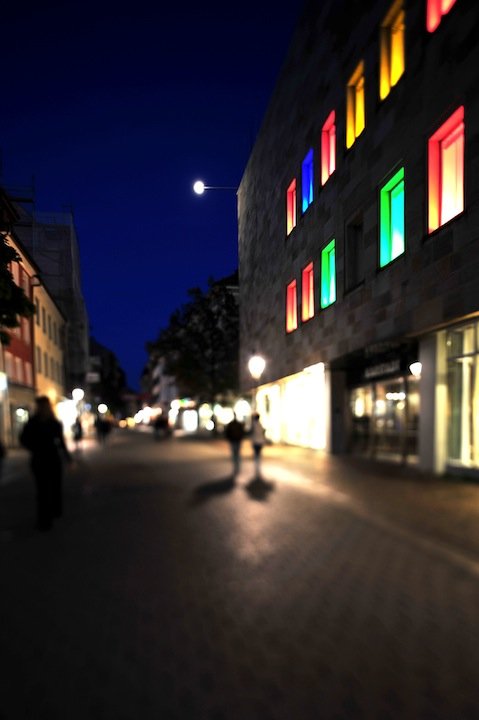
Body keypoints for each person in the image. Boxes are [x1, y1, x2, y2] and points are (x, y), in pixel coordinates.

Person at [20, 396, 72, 531]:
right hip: (40, 460)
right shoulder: (33, 423)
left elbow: (61, 442)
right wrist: (34, 447)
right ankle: (44, 518)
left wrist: (67, 457)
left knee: (53, 488)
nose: (43, 409)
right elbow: (23, 439)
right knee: (43, 490)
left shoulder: (52, 423)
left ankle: (52, 512)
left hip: (52, 459)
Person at [250, 412, 266, 477]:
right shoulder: (260, 424)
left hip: (255, 442)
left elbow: (251, 432)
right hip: (260, 442)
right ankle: (258, 467)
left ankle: (257, 467)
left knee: (256, 455)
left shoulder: (253, 424)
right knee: (258, 455)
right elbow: (263, 432)